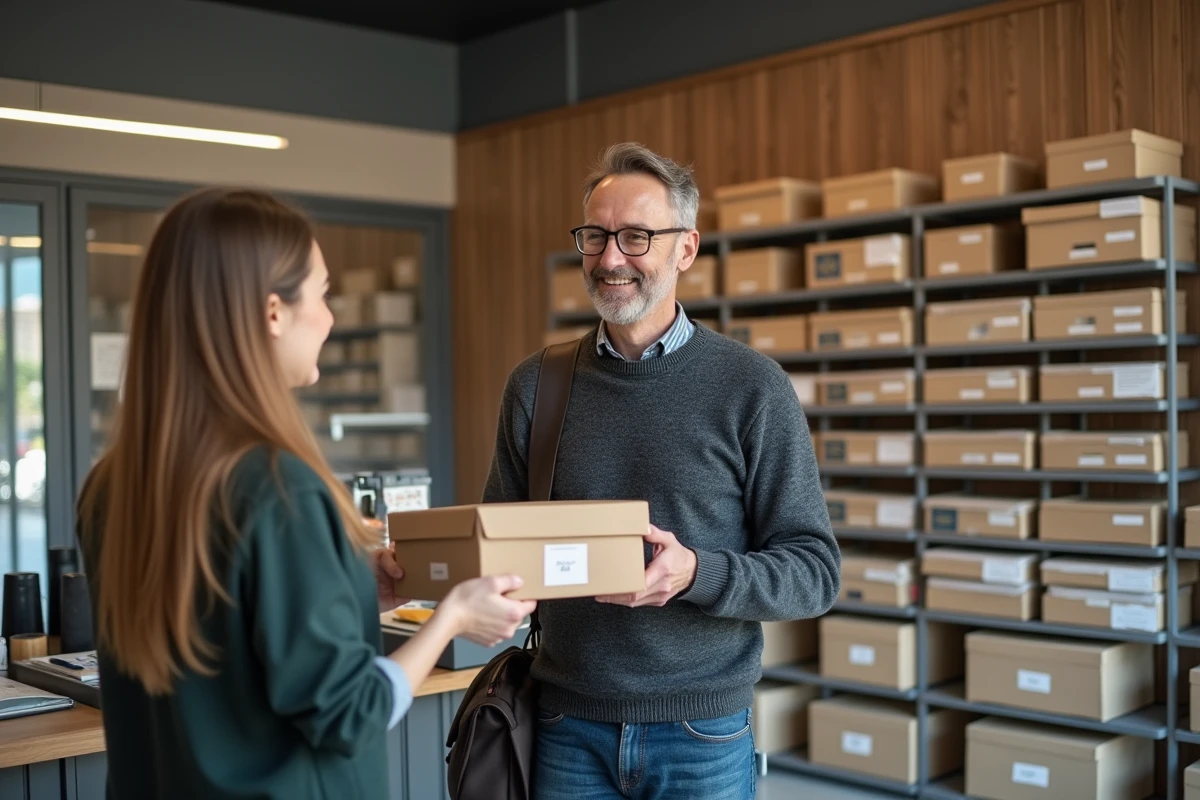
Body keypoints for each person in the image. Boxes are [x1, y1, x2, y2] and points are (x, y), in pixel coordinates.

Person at [76, 187, 537, 800]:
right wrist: (452, 616)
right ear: (273, 312)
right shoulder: (277, 488)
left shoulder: (111, 485)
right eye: (321, 294)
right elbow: (350, 714)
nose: (330, 318)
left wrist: (347, 592)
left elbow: (225, 647)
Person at [484, 142, 841, 800]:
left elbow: (814, 572)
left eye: (636, 236)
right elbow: (501, 545)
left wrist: (696, 573)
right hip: (566, 723)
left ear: (686, 248)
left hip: (701, 731)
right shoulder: (537, 385)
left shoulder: (751, 388)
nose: (611, 257)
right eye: (596, 235)